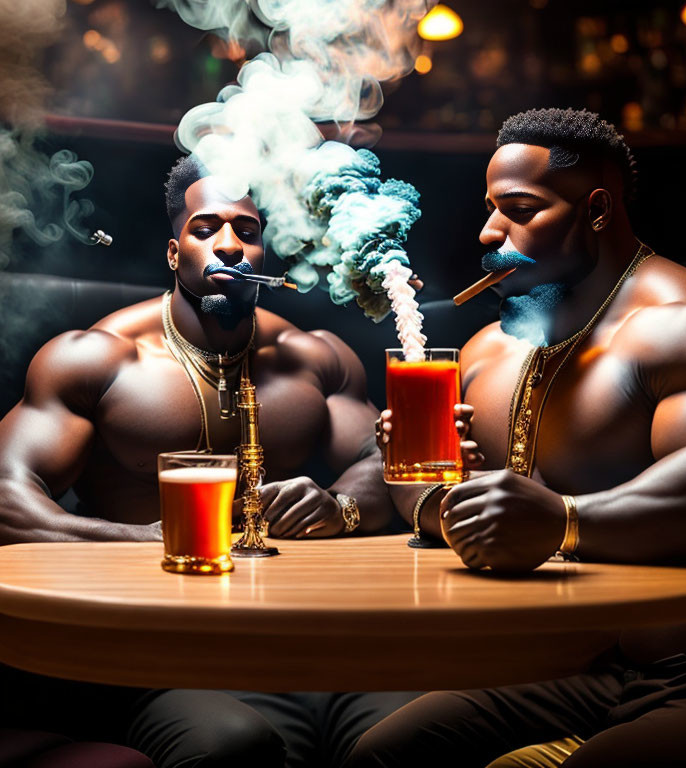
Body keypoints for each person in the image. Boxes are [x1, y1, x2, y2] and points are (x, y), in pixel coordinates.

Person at [354, 108, 686, 767]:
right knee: (382, 755)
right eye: (491, 207)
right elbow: (445, 516)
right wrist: (430, 485)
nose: (491, 231)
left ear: (597, 210)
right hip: (585, 666)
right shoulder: (489, 351)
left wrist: (566, 521)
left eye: (520, 208)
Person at [0, 155, 416, 767]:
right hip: (157, 650)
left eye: (247, 232)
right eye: (205, 228)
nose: (228, 246)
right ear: (174, 253)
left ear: (265, 255)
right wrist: (145, 539)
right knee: (234, 749)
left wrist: (341, 507)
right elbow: (7, 501)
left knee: (410, 740)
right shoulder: (97, 359)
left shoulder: (315, 357)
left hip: (308, 638)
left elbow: (382, 462)